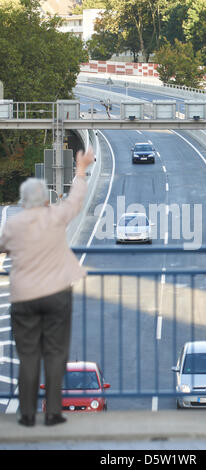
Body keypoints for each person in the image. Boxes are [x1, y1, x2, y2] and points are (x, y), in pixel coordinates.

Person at [0, 146, 94, 427]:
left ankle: (27, 414)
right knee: (55, 354)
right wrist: (80, 170)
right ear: (44, 201)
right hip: (56, 295)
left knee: (28, 356)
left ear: (23, 202)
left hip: (24, 298)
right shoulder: (54, 217)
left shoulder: (13, 226)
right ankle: (53, 413)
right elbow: (76, 200)